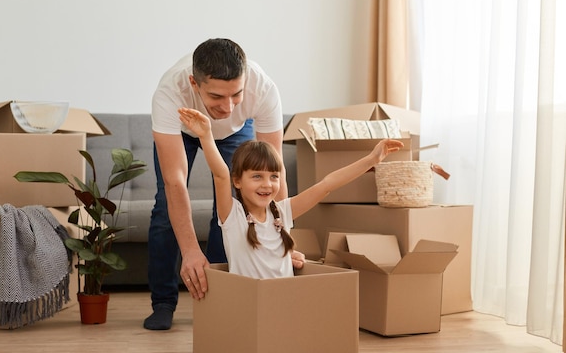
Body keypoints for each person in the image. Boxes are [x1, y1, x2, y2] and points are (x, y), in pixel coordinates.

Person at [145, 38, 289, 330]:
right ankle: (163, 303)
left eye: (236, 95)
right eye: (216, 97)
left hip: (237, 134)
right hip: (184, 129)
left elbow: (275, 171)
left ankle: (219, 300)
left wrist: (284, 239)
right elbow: (175, 183)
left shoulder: (263, 89)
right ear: (194, 84)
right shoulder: (170, 93)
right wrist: (190, 251)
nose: (227, 106)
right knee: (164, 212)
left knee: (233, 212)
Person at [179, 107, 405, 278]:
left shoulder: (283, 210)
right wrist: (206, 136)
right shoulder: (232, 215)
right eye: (257, 176)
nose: (267, 184)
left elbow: (327, 184)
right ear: (237, 181)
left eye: (274, 177)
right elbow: (220, 174)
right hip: (250, 304)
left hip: (284, 303)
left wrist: (371, 159)